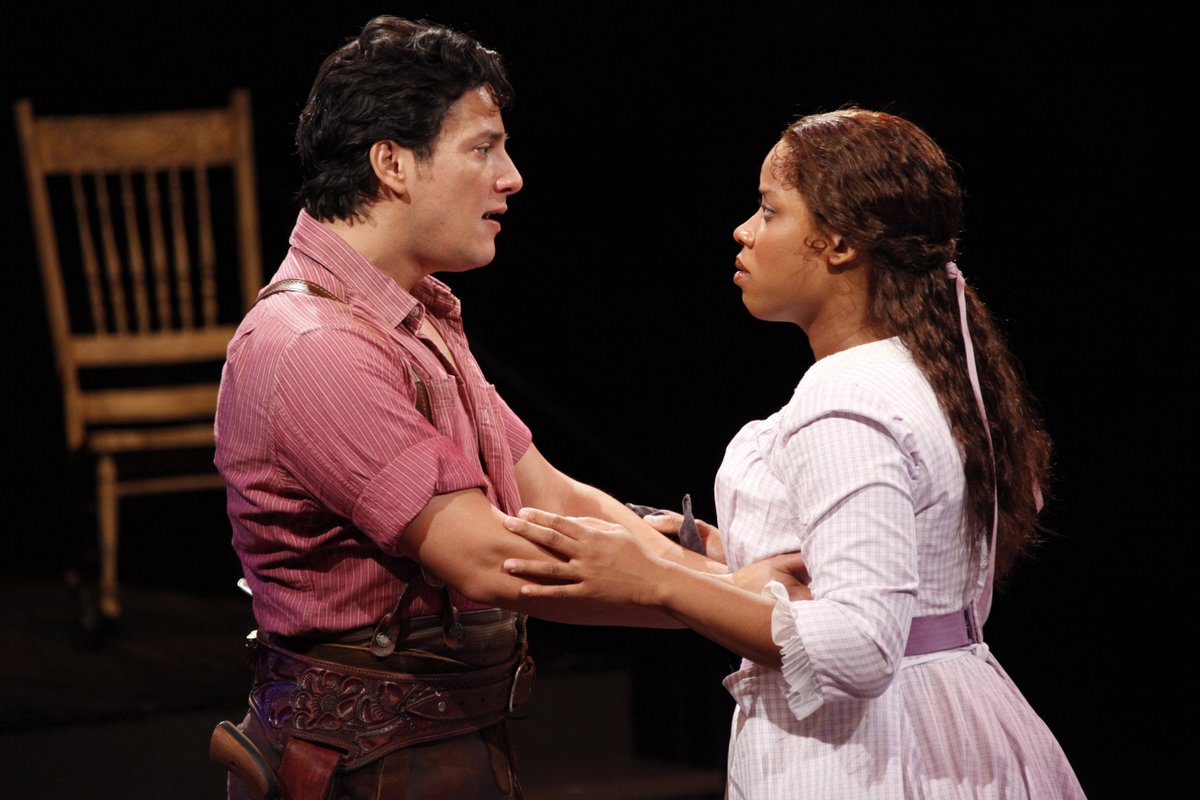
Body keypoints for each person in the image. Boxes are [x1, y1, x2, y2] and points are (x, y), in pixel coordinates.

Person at [212, 15, 775, 800]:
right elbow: (491, 558)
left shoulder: (416, 313)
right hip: (359, 770)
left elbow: (551, 499)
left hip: (437, 752)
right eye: (483, 148)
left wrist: (731, 575)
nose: (510, 177)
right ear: (392, 163)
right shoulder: (313, 344)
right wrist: (735, 601)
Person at [502, 109, 1086, 798]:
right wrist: (730, 554)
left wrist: (654, 579)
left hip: (874, 753)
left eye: (769, 210)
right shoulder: (923, 372)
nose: (744, 230)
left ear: (838, 243)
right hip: (950, 721)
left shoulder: (846, 397)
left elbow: (859, 645)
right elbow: (894, 558)